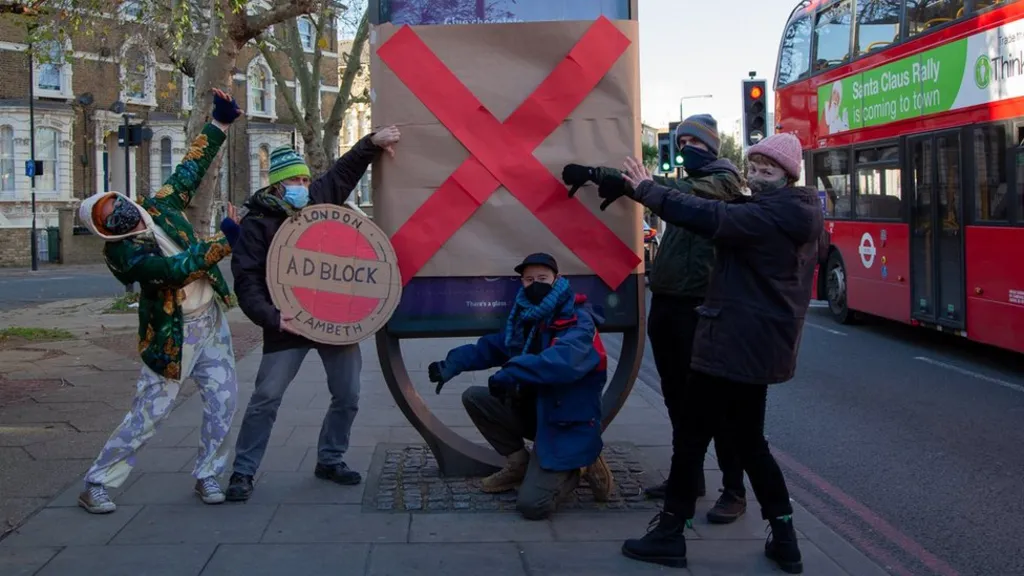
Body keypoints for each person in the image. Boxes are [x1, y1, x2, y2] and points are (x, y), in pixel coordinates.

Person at [601, 132, 821, 573]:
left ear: (788, 175)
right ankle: (785, 538)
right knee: (750, 443)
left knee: (691, 437)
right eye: (754, 166)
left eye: (768, 169)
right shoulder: (791, 213)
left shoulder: (767, 218)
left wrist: (646, 189)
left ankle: (669, 534)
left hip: (729, 344)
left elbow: (706, 214)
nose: (758, 175)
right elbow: (722, 210)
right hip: (756, 349)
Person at [561, 114, 748, 525]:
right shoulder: (681, 186)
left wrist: (610, 176)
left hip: (703, 308)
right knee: (676, 400)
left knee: (713, 406)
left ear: (711, 148)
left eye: (694, 144)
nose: (686, 150)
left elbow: (674, 192)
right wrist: (605, 179)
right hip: (667, 304)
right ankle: (689, 476)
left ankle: (734, 489)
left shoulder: (723, 184)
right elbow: (659, 193)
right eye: (681, 142)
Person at [76, 89, 245, 513]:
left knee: (224, 401)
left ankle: (208, 473)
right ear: (107, 233)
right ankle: (97, 481)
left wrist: (219, 125)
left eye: (121, 205)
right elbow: (175, 271)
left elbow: (190, 169)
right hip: (172, 336)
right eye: (114, 219)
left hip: (210, 321)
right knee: (148, 414)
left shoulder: (160, 206)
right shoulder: (125, 257)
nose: (126, 214)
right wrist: (224, 241)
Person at [225, 126, 402, 501]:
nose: (303, 185)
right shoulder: (257, 224)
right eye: (294, 180)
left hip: (335, 320)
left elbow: (343, 171)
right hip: (286, 323)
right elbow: (247, 282)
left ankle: (330, 459)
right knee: (266, 398)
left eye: (305, 178)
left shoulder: (318, 200)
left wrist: (372, 142)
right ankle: (243, 471)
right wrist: (272, 318)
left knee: (348, 395)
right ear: (276, 186)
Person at [428, 253, 614, 520]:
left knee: (532, 506)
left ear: (557, 280)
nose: (535, 284)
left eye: (542, 278)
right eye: (529, 279)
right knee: (475, 397)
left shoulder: (579, 321)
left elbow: (560, 362)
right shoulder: (527, 318)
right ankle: (519, 464)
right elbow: (493, 346)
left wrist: (511, 373)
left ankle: (581, 464)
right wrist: (452, 364)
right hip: (537, 412)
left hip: (567, 421)